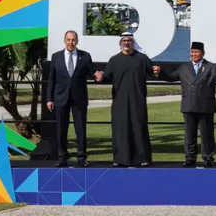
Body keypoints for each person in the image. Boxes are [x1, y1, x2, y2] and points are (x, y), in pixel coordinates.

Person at [153, 41, 216, 168]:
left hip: (205, 106)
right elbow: (171, 77)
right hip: (189, 104)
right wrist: (160, 72)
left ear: (203, 53)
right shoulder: (184, 67)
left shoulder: (210, 67)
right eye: (192, 52)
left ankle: (208, 158)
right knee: (189, 135)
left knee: (206, 134)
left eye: (197, 52)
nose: (194, 54)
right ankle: (190, 158)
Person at [96, 32, 154, 167]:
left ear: (133, 42)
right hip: (119, 101)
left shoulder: (142, 58)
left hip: (137, 100)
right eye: (124, 41)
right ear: (120, 43)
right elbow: (107, 77)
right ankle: (120, 159)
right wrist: (100, 76)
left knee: (139, 128)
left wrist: (157, 70)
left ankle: (142, 158)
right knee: (120, 129)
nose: (126, 43)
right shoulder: (114, 60)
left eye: (129, 40)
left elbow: (153, 71)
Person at [46, 30, 95, 167]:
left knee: (80, 128)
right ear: (64, 41)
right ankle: (62, 157)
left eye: (73, 40)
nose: (70, 42)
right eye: (68, 40)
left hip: (79, 99)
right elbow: (51, 80)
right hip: (60, 98)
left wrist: (98, 75)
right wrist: (49, 99)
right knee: (61, 129)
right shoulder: (56, 57)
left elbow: (92, 73)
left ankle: (81, 157)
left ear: (77, 41)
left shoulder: (85, 56)